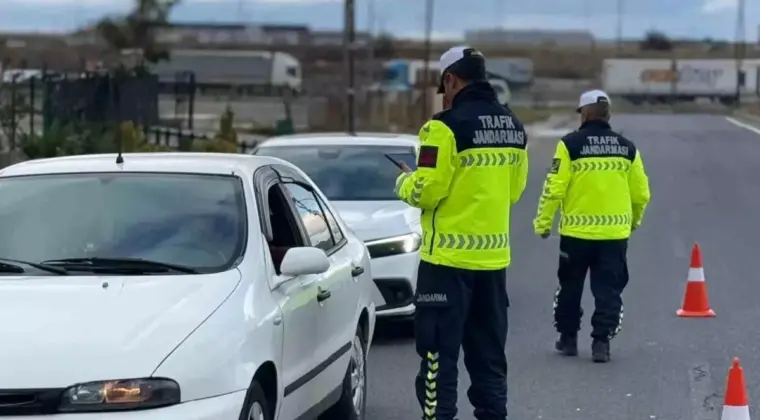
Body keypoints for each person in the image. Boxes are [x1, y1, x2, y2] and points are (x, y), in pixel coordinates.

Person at [395, 46, 529, 420]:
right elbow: (514, 191)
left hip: (446, 263)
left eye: (444, 86)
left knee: (438, 357)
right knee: (489, 356)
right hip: (492, 262)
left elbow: (427, 191)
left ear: (451, 80)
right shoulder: (513, 126)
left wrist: (406, 182)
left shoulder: (443, 127)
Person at [533, 89, 651, 363]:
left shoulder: (570, 145)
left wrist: (543, 222)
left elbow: (553, 188)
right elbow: (642, 193)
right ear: (608, 114)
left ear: (584, 114)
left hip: (576, 235)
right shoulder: (627, 148)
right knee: (608, 289)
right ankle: (601, 343)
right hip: (614, 236)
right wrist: (634, 221)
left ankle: (568, 339)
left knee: (569, 287)